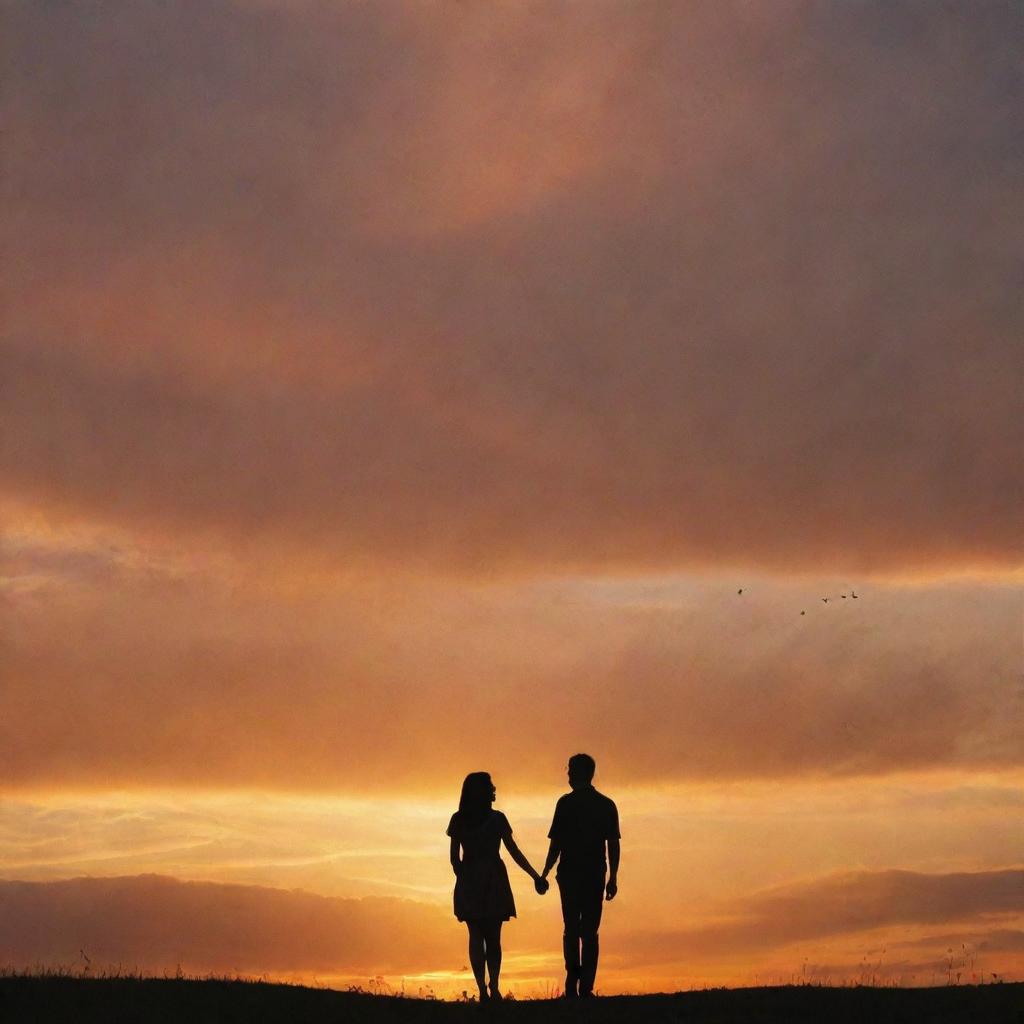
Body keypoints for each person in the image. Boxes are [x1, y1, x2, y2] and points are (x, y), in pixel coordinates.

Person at [447, 772, 548, 1001]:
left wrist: (463, 877)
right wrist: (535, 876)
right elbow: (513, 851)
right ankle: (490, 987)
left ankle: (486, 988)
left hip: (476, 878)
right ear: (480, 791)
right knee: (491, 937)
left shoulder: (460, 819)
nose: (493, 789)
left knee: (480, 935)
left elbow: (455, 858)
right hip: (491, 878)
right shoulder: (494, 819)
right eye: (489, 786)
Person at [540, 753, 620, 999]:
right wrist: (613, 877)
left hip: (571, 874)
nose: (567, 776)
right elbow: (613, 846)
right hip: (594, 873)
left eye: (569, 771)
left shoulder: (565, 804)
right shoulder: (606, 804)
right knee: (590, 931)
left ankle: (573, 983)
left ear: (576, 773)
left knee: (571, 929)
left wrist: (545, 872)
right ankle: (585, 986)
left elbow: (556, 844)